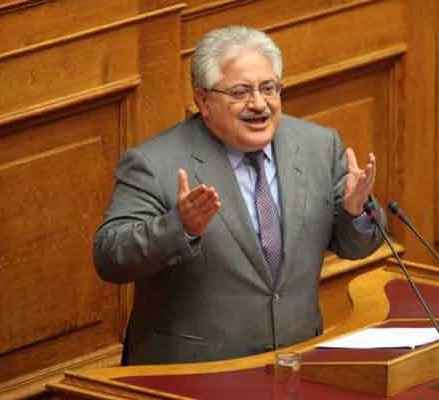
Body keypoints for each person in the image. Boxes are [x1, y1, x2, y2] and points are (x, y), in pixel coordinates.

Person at [93, 25, 387, 365]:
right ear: (203, 100)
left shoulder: (318, 146)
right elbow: (109, 257)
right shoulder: (154, 163)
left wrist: (355, 212)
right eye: (240, 92)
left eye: (268, 88)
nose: (259, 104)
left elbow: (357, 246)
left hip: (294, 364)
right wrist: (179, 227)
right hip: (194, 374)